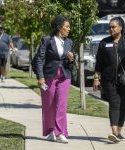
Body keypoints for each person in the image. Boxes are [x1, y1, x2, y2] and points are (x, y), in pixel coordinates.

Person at [93, 17, 125, 143]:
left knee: (123, 104)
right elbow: (99, 62)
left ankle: (118, 131)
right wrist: (96, 78)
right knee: (114, 103)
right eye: (109, 27)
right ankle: (114, 132)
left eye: (113, 27)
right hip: (108, 79)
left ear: (121, 27)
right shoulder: (104, 42)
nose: (110, 29)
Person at [35, 15, 74, 143]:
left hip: (64, 76)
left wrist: (71, 59)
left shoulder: (69, 42)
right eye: (66, 26)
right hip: (48, 76)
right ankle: (50, 131)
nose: (69, 29)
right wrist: (40, 77)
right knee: (49, 105)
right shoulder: (47, 40)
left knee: (61, 104)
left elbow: (71, 64)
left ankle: (60, 132)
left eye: (69, 26)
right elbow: (40, 59)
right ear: (59, 27)